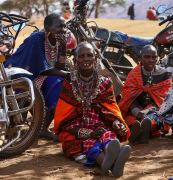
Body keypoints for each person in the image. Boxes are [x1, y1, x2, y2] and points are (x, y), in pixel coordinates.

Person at [54, 42, 131, 177]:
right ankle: (112, 164)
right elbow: (65, 122)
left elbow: (111, 110)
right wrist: (89, 133)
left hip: (102, 127)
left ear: (95, 58)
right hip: (77, 132)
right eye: (81, 56)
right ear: (75, 60)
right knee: (91, 145)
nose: (86, 59)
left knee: (109, 136)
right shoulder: (69, 83)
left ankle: (110, 155)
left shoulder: (105, 83)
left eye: (89, 55)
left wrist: (116, 124)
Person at [5, 13, 69, 140]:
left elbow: (59, 67)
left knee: (59, 82)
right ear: (47, 28)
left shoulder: (57, 42)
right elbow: (42, 69)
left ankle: (43, 128)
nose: (63, 30)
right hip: (23, 74)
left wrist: (64, 47)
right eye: (59, 26)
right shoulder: (37, 39)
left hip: (41, 76)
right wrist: (67, 74)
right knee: (58, 80)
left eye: (64, 26)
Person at [118, 45, 172, 144]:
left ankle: (144, 130)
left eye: (154, 57)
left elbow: (165, 100)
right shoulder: (133, 75)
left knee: (155, 118)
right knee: (131, 120)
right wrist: (136, 111)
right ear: (140, 58)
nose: (151, 60)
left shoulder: (165, 75)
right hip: (137, 108)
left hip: (155, 109)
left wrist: (148, 110)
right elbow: (128, 97)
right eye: (147, 57)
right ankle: (138, 131)